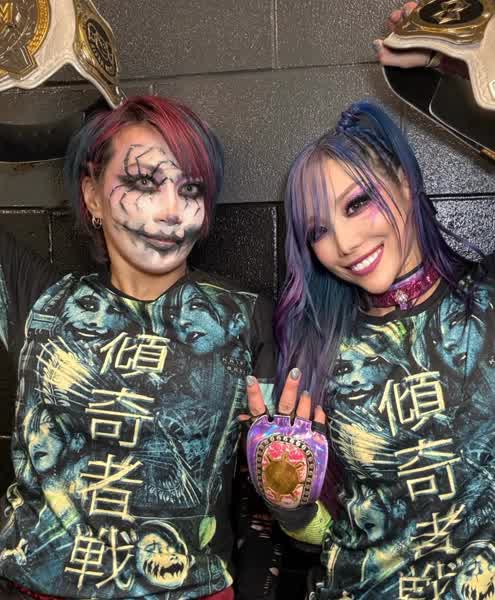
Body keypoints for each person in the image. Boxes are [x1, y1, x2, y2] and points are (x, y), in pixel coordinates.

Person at [0, 95, 276, 599]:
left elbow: (274, 496)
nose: (172, 211)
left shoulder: (242, 318)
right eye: (145, 183)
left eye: (190, 188)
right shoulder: (42, 304)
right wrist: (55, 120)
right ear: (92, 195)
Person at [246, 96, 495, 599]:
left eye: (356, 203)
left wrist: (464, 73)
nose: (344, 242)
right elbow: (324, 533)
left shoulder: (486, 302)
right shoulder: (318, 348)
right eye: (319, 230)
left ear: (404, 181)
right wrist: (288, 502)